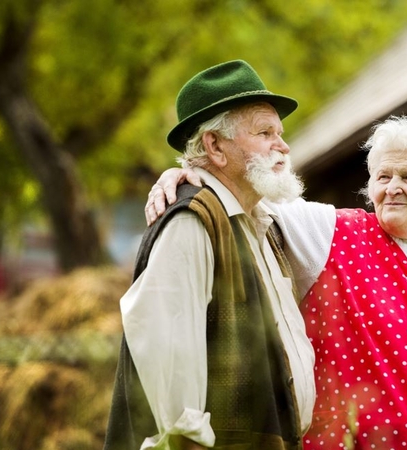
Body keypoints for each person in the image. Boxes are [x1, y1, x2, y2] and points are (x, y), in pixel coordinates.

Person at [147, 115, 407, 449]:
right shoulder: (332, 233)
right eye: (383, 177)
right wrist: (189, 177)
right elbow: (243, 195)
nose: (392, 188)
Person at [103, 60, 316, 450]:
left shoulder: (261, 221)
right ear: (215, 146)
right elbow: (171, 387)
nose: (283, 146)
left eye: (280, 133)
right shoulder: (191, 223)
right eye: (265, 132)